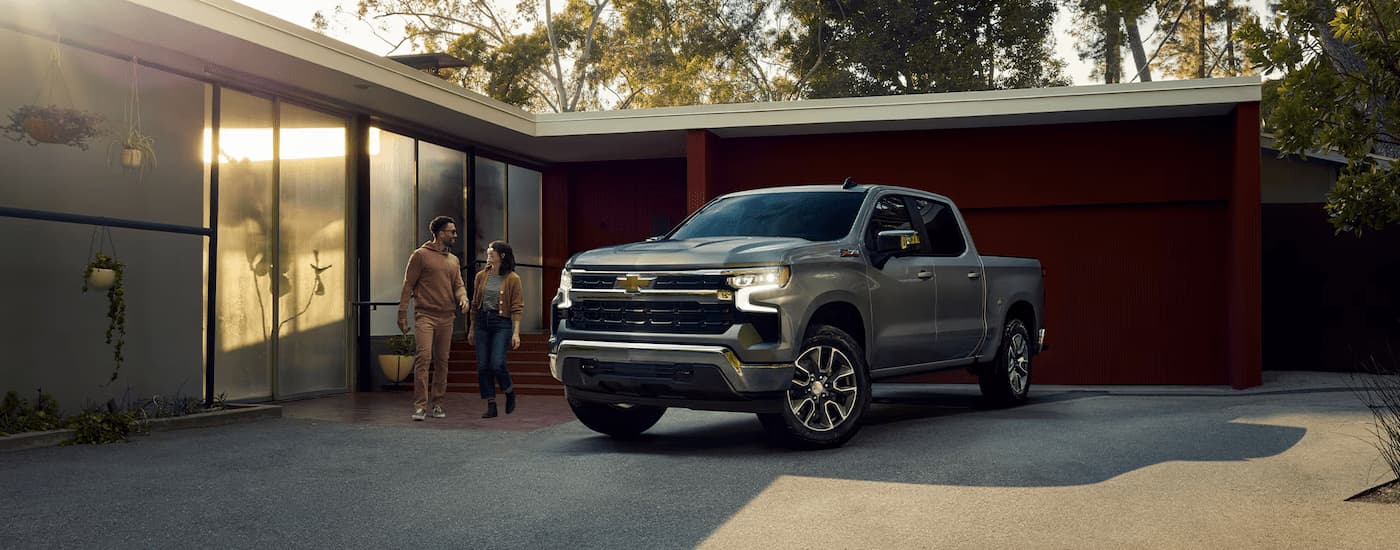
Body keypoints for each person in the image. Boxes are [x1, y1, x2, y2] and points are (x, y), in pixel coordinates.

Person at [398, 216, 469, 421]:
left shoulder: (454, 260)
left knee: (442, 361)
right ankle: (420, 406)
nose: (455, 235)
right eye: (451, 231)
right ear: (439, 233)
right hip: (425, 315)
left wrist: (463, 297)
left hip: (447, 317)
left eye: (455, 231)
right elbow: (408, 284)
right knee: (424, 357)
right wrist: (402, 313)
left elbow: (458, 285)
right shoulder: (420, 255)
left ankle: (438, 403)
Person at [468, 240, 524, 418]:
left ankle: (509, 391)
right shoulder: (480, 276)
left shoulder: (513, 278)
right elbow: (475, 304)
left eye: (493, 251)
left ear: (502, 255)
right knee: (483, 366)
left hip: (502, 323)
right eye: (489, 250)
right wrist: (471, 329)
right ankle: (491, 404)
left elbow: (517, 307)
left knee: (497, 363)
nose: (489, 253)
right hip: (482, 324)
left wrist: (516, 333)